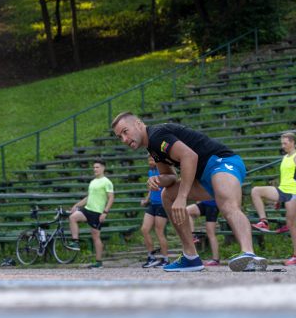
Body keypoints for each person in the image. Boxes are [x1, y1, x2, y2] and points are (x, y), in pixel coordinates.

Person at [111, 112, 266, 272]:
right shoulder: (153, 148)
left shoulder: (157, 135)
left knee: (227, 205)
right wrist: (157, 179)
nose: (124, 139)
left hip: (221, 162)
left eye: (125, 131)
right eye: (119, 137)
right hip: (203, 178)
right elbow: (170, 176)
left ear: (138, 123)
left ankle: (249, 254)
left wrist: (182, 197)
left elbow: (189, 157)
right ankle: (191, 257)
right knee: (167, 195)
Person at [250, 132, 296, 266]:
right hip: (282, 190)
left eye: (285, 143)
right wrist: (278, 200)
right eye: (282, 143)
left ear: (293, 142)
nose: (283, 146)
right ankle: (263, 221)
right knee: (255, 191)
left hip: (292, 194)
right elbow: (285, 178)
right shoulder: (285, 157)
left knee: (292, 226)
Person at [68, 160, 114, 269]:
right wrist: (76, 205)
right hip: (87, 209)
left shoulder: (107, 182)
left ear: (103, 168)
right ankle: (75, 242)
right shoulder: (93, 181)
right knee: (72, 217)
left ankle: (99, 262)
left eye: (97, 167)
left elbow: (111, 198)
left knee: (95, 236)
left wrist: (105, 212)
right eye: (94, 167)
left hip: (97, 212)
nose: (95, 169)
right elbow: (88, 197)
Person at [140, 157, 169, 268]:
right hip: (152, 204)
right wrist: (147, 200)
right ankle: (151, 257)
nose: (150, 162)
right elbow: (150, 188)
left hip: (162, 204)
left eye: (152, 160)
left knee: (159, 231)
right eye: (148, 160)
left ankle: (165, 259)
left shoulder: (163, 171)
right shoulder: (150, 171)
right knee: (145, 229)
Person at [186, 200, 221, 266]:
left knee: (210, 233)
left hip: (213, 205)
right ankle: (193, 236)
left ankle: (216, 259)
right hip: (204, 203)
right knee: (186, 211)